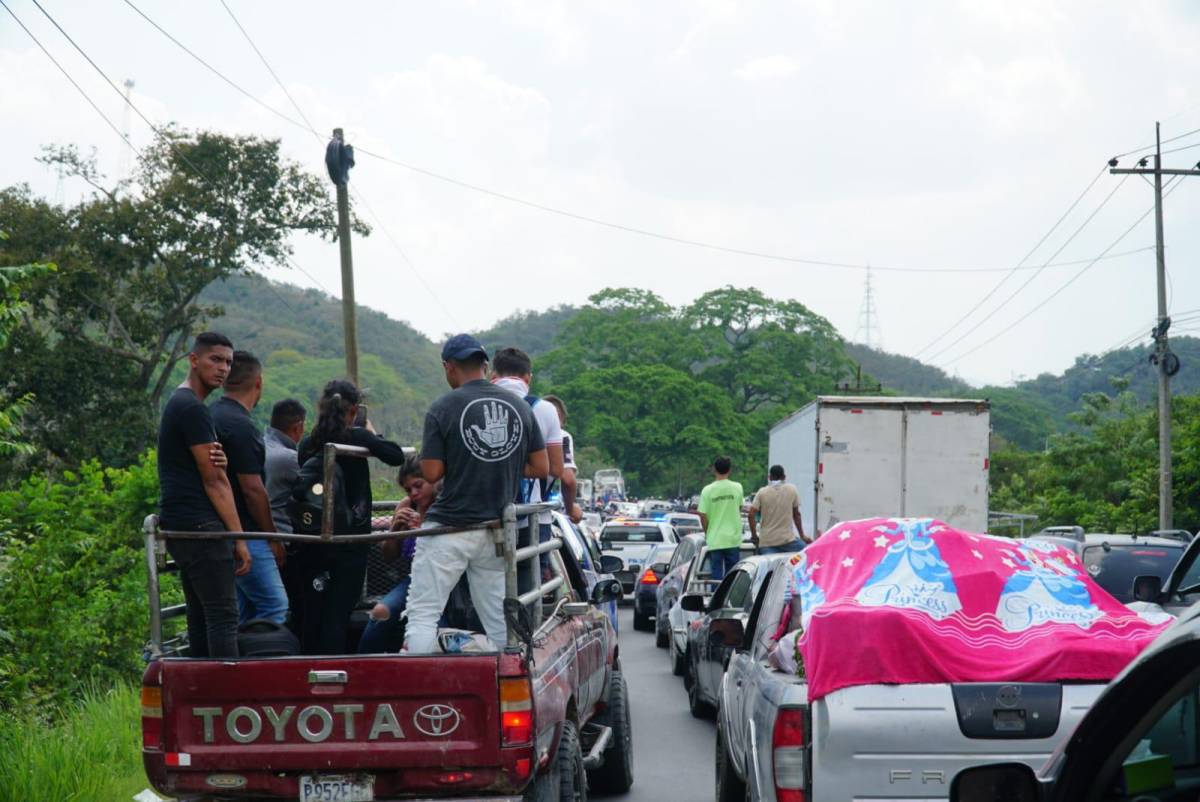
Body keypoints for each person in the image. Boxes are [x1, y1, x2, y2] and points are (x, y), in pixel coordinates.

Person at [404, 335, 548, 654]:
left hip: (449, 528)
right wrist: (503, 462)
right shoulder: (519, 407)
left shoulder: (443, 407)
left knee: (423, 615)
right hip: (495, 528)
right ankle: (509, 679)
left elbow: (430, 473)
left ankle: (422, 688)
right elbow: (541, 467)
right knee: (498, 619)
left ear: (449, 367)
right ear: (485, 366)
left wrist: (466, 460)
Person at [295, 380, 407, 654]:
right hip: (351, 541)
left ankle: (309, 666)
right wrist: (369, 433)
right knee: (338, 613)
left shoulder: (308, 443)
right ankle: (333, 668)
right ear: (354, 410)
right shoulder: (357, 436)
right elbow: (395, 456)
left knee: (314, 611)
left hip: (312, 539)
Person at [157, 332, 251, 658]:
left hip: (182, 524)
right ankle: (226, 700)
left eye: (228, 362)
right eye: (215, 359)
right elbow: (216, 482)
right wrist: (240, 539)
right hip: (200, 525)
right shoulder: (191, 408)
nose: (223, 368)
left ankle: (200, 700)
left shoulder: (185, 404)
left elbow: (206, 465)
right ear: (193, 361)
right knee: (224, 616)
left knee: (201, 616)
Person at [212, 351, 288, 626]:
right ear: (259, 383)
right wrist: (273, 537)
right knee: (274, 607)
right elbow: (252, 490)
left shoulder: (212, 417)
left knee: (243, 612)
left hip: (218, 530)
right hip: (246, 531)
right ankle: (265, 666)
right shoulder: (241, 427)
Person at [491, 347, 563, 588]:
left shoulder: (478, 403)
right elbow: (556, 468)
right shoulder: (545, 409)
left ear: (494, 375)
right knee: (527, 589)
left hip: (484, 515)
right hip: (532, 518)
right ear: (528, 377)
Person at [357, 457, 440, 653]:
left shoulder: (445, 506)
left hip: (444, 581)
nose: (414, 494)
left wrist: (424, 530)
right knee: (379, 612)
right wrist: (395, 530)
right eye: (408, 490)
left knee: (433, 628)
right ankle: (363, 667)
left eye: (418, 486)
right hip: (414, 580)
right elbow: (388, 556)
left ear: (433, 481)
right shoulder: (407, 505)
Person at [264, 398, 307, 627]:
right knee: (294, 605)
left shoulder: (261, 446)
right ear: (298, 426)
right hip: (283, 541)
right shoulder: (289, 458)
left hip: (257, 538)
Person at [697, 456, 744, 581]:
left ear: (714, 470)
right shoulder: (737, 487)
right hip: (733, 538)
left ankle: (716, 599)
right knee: (732, 576)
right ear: (729, 470)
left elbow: (702, 515)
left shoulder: (707, 490)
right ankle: (730, 599)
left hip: (715, 539)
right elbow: (739, 508)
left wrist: (708, 532)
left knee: (716, 574)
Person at [748, 465, 810, 554]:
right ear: (784, 477)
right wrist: (802, 536)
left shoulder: (762, 492)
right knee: (807, 554)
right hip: (788, 542)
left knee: (769, 567)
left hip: (767, 543)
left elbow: (751, 514)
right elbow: (796, 515)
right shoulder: (792, 489)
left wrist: (754, 536)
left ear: (769, 477)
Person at [542, 394, 583, 523]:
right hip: (536, 512)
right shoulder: (562, 436)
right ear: (561, 420)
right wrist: (571, 509)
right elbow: (568, 479)